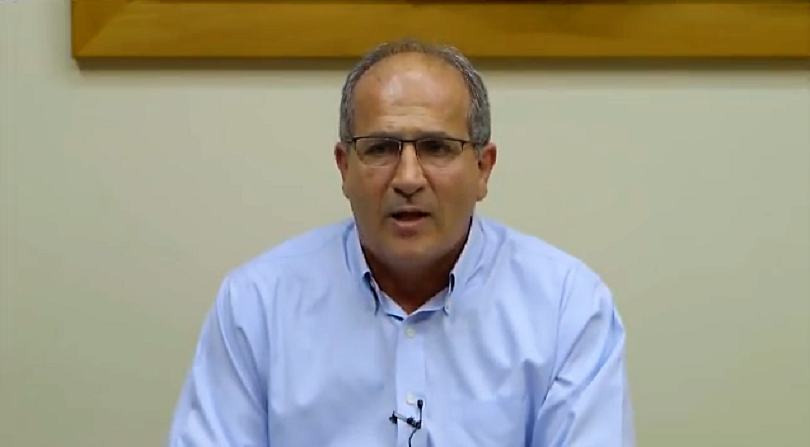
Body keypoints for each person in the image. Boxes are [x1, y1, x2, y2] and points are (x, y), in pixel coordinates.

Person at [168, 38, 635, 447]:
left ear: (483, 168)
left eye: (437, 147)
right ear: (344, 167)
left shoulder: (566, 306)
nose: (408, 178)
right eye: (380, 148)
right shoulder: (256, 304)